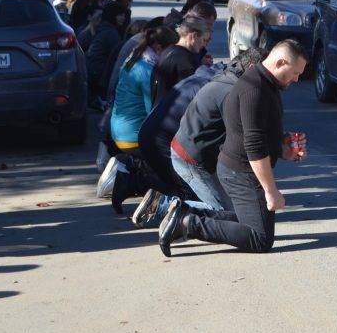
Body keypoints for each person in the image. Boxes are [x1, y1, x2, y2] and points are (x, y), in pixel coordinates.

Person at [158, 40, 308, 256]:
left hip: (239, 168)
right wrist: (271, 191)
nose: (297, 79)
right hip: (241, 171)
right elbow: (254, 145)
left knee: (247, 221)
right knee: (260, 238)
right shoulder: (253, 90)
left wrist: (286, 149)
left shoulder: (267, 85)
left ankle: (185, 213)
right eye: (295, 72)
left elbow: (260, 134)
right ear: (280, 62)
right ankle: (188, 223)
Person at [129, 49, 269, 229]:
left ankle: (155, 196)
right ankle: (163, 205)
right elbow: (239, 139)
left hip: (178, 145)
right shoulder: (233, 91)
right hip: (187, 155)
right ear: (251, 68)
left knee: (227, 208)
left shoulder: (220, 76)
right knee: (225, 213)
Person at [110, 26, 177, 154]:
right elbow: (153, 112)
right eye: (170, 51)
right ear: (158, 48)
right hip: (132, 137)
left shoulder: (135, 58)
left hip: (117, 131)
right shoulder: (148, 71)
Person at [151, 16, 211, 104]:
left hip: (158, 112)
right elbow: (191, 98)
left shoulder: (168, 51)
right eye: (203, 39)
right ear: (193, 36)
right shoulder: (185, 61)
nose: (204, 44)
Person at [86, 2, 128, 104]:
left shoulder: (105, 28)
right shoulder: (111, 33)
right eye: (120, 15)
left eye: (124, 15)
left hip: (92, 71)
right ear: (112, 15)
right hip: (100, 74)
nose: (123, 18)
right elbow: (119, 57)